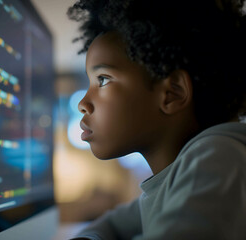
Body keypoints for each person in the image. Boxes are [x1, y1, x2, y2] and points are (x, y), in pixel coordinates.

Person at [67, 0, 246, 239]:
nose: (82, 103)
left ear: (172, 94)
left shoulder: (219, 156)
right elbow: (111, 226)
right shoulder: (174, 178)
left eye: (103, 80)